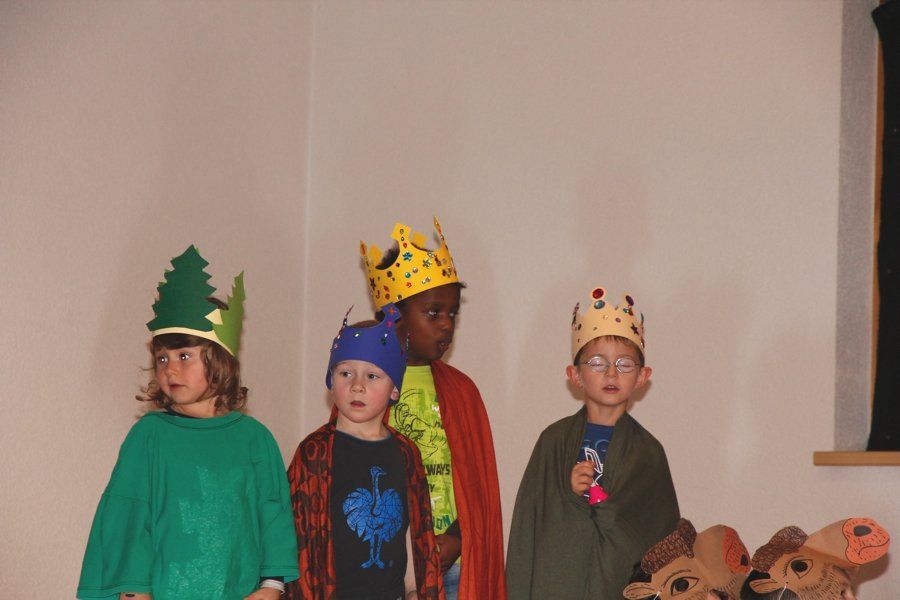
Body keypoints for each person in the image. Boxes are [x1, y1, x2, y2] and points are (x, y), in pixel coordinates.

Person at [77, 245, 299, 599]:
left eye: (184, 355)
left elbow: (273, 514)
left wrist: (272, 584)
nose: (170, 369)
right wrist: (133, 590)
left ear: (221, 361)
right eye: (162, 358)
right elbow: (129, 514)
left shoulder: (255, 439)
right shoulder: (149, 436)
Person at [359, 219, 506, 600]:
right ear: (393, 316)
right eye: (433, 312)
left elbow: (478, 489)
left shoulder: (462, 392)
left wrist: (457, 536)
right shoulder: (364, 385)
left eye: (452, 313)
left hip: (453, 564)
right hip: (386, 563)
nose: (446, 325)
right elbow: (347, 475)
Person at [505, 285, 680, 599]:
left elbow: (658, 539)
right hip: (560, 582)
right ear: (575, 375)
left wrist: (609, 511)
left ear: (642, 377)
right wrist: (567, 495)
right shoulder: (553, 441)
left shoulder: (647, 452)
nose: (611, 373)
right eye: (598, 363)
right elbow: (530, 525)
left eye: (624, 364)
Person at [285, 305, 443, 600]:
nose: (357, 386)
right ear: (331, 381)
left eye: (372, 376)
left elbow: (414, 536)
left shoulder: (405, 453)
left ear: (394, 390)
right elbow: (297, 542)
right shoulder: (315, 452)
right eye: (345, 373)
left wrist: (413, 591)